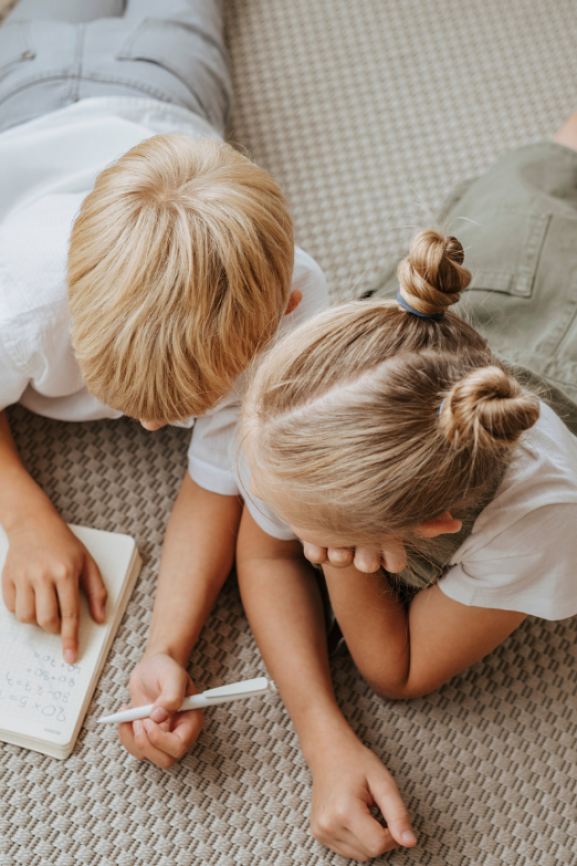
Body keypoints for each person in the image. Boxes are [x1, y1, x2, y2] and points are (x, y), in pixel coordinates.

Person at [0, 0, 330, 777]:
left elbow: (217, 484)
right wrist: (25, 515)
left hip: (169, 78)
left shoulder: (295, 306)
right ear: (74, 306)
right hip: (29, 83)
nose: (150, 430)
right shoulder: (24, 298)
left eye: (176, 411)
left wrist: (165, 648)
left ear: (278, 314)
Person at [239, 205, 577, 856]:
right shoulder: (308, 399)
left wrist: (339, 561)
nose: (268, 512)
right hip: (517, 244)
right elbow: (263, 558)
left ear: (432, 526)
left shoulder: (543, 521)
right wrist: (321, 734)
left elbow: (397, 669)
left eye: (323, 537)